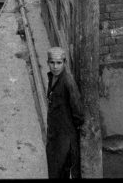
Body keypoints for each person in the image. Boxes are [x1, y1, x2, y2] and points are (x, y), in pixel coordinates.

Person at [46, 46, 84, 179]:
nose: (55, 67)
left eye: (59, 63)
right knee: (53, 166)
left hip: (65, 136)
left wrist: (75, 127)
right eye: (52, 63)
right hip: (54, 133)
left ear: (64, 63)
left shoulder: (68, 82)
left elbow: (78, 110)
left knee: (61, 169)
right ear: (48, 63)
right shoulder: (52, 78)